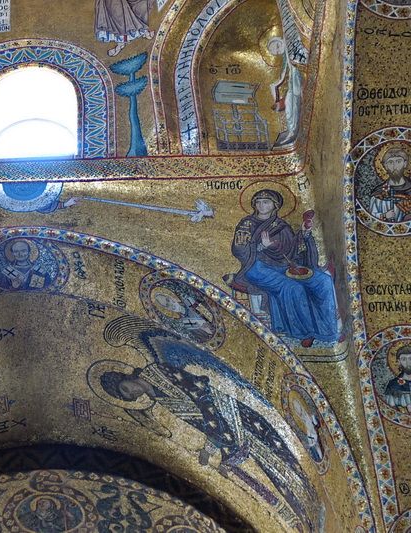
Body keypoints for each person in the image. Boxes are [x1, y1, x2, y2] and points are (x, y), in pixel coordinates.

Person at [100, 361, 319, 532]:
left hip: (230, 414)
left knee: (272, 448)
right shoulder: (157, 399)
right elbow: (196, 422)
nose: (131, 394)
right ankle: (301, 508)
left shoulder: (157, 371)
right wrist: (213, 447)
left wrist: (212, 446)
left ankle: (306, 491)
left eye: (125, 388)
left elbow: (200, 393)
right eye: (126, 396)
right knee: (262, 465)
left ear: (126, 376)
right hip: (222, 431)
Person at [229, 189, 338, 347]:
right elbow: (239, 250)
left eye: (266, 202)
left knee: (323, 281)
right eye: (258, 202)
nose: (261, 205)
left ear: (275, 205)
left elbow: (293, 249)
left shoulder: (281, 225)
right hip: (256, 267)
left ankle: (330, 330)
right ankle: (304, 332)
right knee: (293, 288)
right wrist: (261, 247)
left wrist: (304, 233)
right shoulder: (247, 224)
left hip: (283, 265)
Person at [268, 37, 303, 149]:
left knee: (290, 106)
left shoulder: (290, 49)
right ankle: (291, 130)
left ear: (280, 41)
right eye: (276, 52)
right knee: (289, 105)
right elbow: (283, 75)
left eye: (278, 46)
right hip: (292, 84)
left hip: (296, 81)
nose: (279, 50)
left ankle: (292, 131)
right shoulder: (285, 58)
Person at [368, 145, 411, 222]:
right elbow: (371, 218)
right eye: (391, 162)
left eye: (398, 161)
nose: (395, 166)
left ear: (405, 164)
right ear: (385, 166)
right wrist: (384, 215)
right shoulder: (378, 193)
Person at [385, 345, 411, 412]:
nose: (408, 362)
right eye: (404, 359)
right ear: (399, 362)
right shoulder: (393, 385)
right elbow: (390, 410)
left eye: (410, 358)